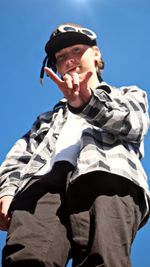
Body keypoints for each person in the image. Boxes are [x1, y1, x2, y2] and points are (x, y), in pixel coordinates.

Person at [0, 22, 150, 267]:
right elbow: (19, 155)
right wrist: (6, 191)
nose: (69, 59)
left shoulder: (128, 94)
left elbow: (135, 125)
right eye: (61, 57)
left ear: (97, 53)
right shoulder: (46, 118)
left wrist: (88, 103)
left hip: (107, 178)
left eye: (77, 50)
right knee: (24, 259)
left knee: (104, 260)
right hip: (40, 188)